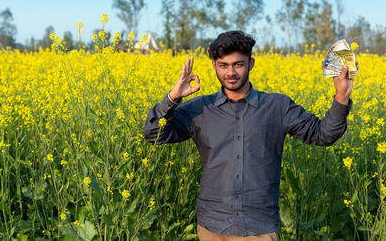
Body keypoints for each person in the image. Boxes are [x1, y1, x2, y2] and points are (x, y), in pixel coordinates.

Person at [144, 31, 353, 240]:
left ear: (251, 63)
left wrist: (341, 95)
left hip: (259, 227)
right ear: (214, 66)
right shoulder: (200, 109)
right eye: (223, 65)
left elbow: (323, 135)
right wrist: (173, 97)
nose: (230, 72)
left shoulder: (277, 107)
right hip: (212, 228)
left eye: (238, 64)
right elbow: (154, 134)